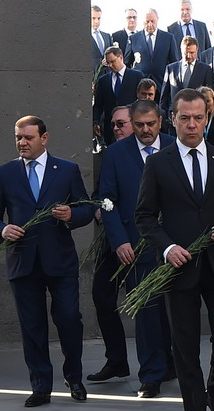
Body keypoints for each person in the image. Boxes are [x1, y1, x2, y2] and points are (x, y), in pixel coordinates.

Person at [135, 89, 214, 411]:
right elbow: (144, 216)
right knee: (185, 347)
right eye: (185, 118)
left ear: (207, 119)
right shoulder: (158, 164)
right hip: (179, 268)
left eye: (199, 117)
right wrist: (167, 248)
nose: (192, 124)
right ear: (173, 120)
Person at [0, 116, 93, 407]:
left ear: (44, 138)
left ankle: (74, 376)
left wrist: (72, 214)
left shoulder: (66, 170)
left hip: (60, 261)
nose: (22, 142)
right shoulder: (5, 173)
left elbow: (85, 209)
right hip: (23, 261)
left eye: (28, 137)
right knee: (32, 326)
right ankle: (41, 386)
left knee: (69, 319)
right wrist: (2, 230)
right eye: (18, 137)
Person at [98, 100, 174, 397]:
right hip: (135, 246)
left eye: (150, 124)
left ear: (160, 121)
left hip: (175, 244)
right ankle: (151, 375)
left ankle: (171, 364)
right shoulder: (116, 154)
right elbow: (108, 201)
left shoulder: (176, 146)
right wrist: (119, 240)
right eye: (139, 125)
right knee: (146, 312)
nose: (145, 130)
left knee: (174, 312)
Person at [87, 106, 133, 384]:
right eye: (113, 124)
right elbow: (100, 193)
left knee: (150, 304)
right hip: (111, 242)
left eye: (121, 124)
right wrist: (97, 208)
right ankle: (116, 359)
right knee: (102, 296)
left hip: (141, 242)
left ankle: (165, 361)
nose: (115, 128)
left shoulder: (154, 154)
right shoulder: (111, 155)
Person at [93, 47, 143, 147]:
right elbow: (98, 104)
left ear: (121, 57)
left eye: (113, 62)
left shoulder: (136, 76)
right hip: (110, 129)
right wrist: (95, 121)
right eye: (108, 63)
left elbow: (142, 101)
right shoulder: (103, 80)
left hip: (131, 127)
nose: (110, 66)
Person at [160, 36, 214, 124]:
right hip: (174, 118)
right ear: (181, 50)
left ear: (197, 50)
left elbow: (208, 96)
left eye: (192, 53)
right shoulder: (171, 68)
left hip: (195, 118)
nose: (189, 56)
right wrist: (163, 117)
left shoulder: (205, 69)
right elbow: (164, 96)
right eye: (186, 53)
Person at [125, 9, 178, 99]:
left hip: (162, 85)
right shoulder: (133, 38)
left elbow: (174, 63)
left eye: (152, 21)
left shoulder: (168, 38)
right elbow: (127, 63)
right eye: (147, 21)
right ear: (143, 22)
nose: (150, 24)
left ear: (157, 19)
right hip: (141, 87)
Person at [91, 5, 112, 73]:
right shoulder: (84, 37)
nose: (96, 21)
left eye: (99, 18)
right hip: (91, 75)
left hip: (107, 74)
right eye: (93, 18)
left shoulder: (107, 36)